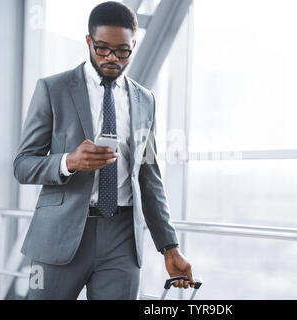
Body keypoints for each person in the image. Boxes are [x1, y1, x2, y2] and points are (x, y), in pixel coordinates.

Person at [13, 1, 194, 300]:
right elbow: (22, 164)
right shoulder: (53, 90)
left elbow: (149, 176)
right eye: (102, 48)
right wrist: (68, 162)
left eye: (122, 51)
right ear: (88, 41)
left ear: (133, 45)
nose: (112, 58)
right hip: (59, 235)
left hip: (122, 240)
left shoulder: (145, 101)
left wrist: (170, 247)